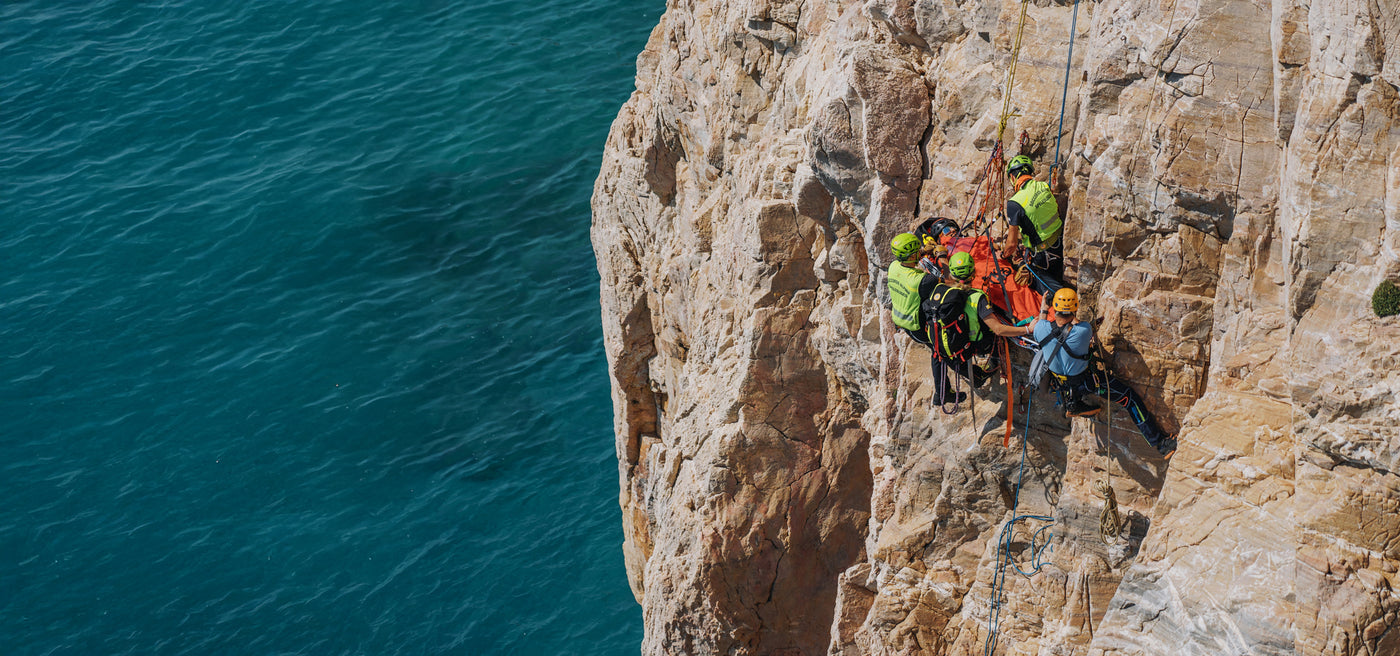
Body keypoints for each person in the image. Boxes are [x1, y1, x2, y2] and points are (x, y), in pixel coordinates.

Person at [1030, 288, 1177, 458]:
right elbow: (1077, 325)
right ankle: (1160, 444)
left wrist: (1043, 307)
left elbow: (1043, 321)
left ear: (1053, 308)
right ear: (1075, 308)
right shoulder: (1083, 330)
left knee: (1071, 371)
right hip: (1087, 383)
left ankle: (1075, 404)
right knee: (1129, 398)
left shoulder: (1040, 329)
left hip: (1061, 384)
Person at [932, 251, 1036, 387]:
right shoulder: (977, 298)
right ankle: (995, 358)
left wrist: (941, 256)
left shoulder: (944, 290)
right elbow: (998, 329)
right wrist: (1028, 329)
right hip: (979, 344)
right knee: (999, 321)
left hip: (957, 341)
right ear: (973, 272)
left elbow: (948, 274)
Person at [887, 233, 965, 404]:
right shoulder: (922, 280)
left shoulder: (893, 266)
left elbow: (911, 260)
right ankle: (943, 394)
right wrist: (942, 256)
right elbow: (949, 279)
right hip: (917, 326)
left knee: (937, 352)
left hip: (902, 320)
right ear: (913, 255)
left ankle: (943, 392)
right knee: (939, 352)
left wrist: (923, 251)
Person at [1002, 155, 1064, 286]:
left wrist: (1003, 256)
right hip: (1060, 243)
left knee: (1034, 284)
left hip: (1042, 255)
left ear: (1013, 177)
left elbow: (1011, 244)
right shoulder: (1043, 186)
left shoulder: (1015, 203)